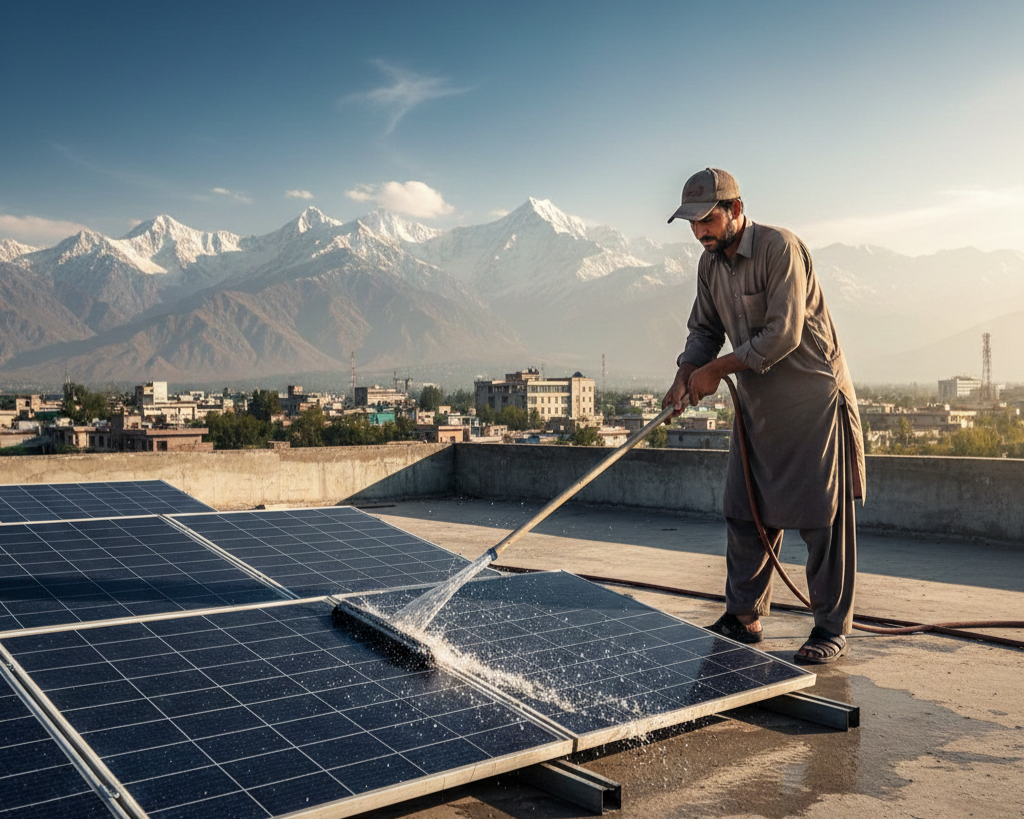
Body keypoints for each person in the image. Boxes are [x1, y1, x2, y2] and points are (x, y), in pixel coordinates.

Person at [661, 167, 865, 664]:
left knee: (823, 520)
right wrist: (685, 373)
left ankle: (830, 627)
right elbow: (704, 331)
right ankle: (744, 615)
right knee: (743, 510)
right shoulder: (710, 265)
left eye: (707, 219)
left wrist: (715, 370)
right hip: (759, 406)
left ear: (735, 209)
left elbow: (783, 335)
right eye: (692, 223)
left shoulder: (780, 249)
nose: (700, 232)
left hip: (812, 402)